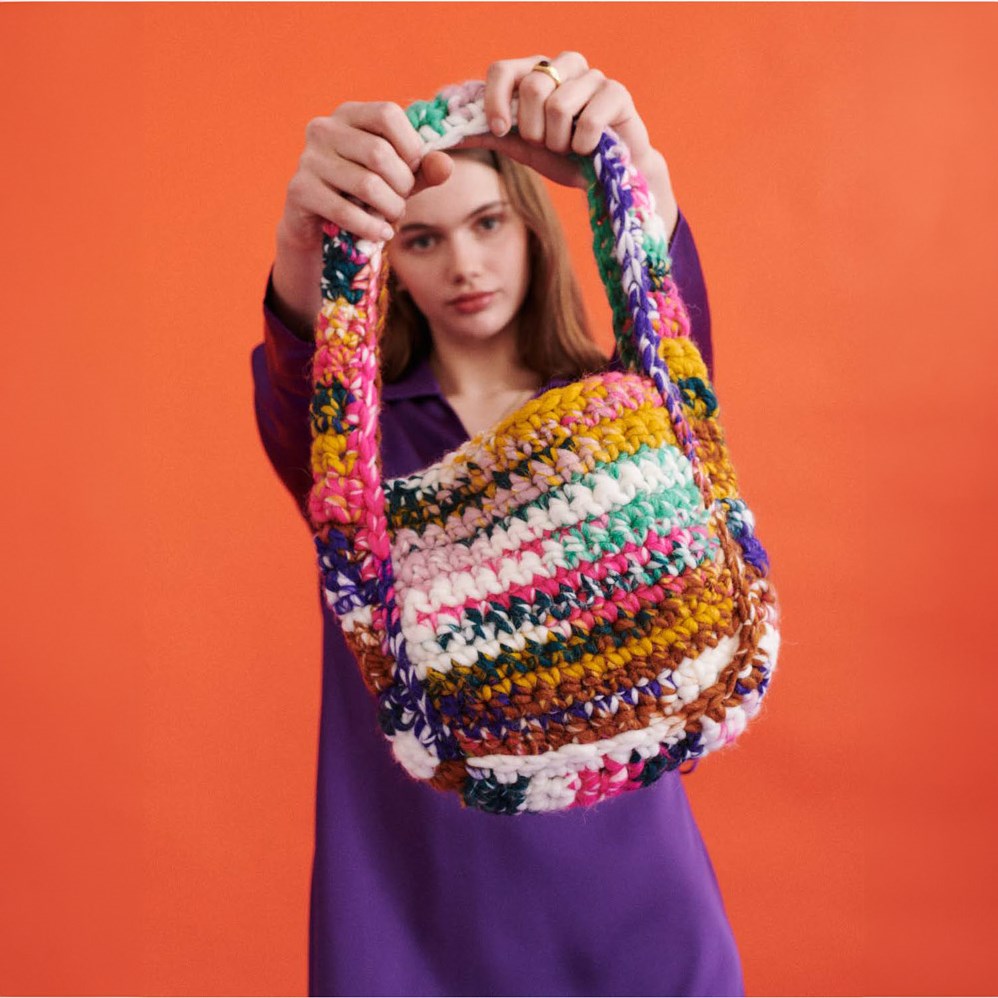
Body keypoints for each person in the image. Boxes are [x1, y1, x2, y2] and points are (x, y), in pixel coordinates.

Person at [252, 52, 739, 998]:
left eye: (487, 222)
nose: (464, 264)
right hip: (413, 911)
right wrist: (306, 251)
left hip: (638, 904)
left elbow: (677, 352)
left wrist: (635, 167)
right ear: (392, 263)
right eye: (422, 239)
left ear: (531, 227)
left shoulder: (622, 409)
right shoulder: (353, 446)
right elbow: (297, 371)